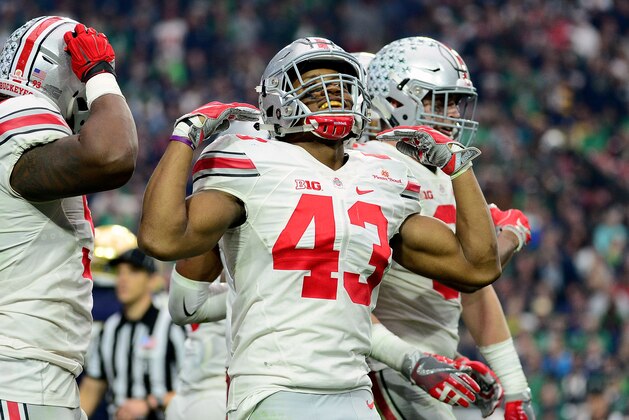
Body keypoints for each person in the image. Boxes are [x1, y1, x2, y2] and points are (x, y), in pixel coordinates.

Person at [138, 37, 502, 420]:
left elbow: (477, 267)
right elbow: (160, 237)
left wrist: (458, 167)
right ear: (279, 99)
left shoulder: (381, 174)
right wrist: (187, 134)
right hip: (274, 386)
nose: (335, 97)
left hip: (354, 387)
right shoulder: (253, 160)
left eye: (344, 87)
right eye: (318, 88)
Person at [355, 37, 535, 419]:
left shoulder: (446, 170)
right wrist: (507, 237)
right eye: (442, 101)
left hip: (427, 361)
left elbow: (473, 290)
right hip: (384, 365)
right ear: (399, 100)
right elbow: (470, 273)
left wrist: (515, 386)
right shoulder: (372, 169)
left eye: (456, 101)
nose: (454, 113)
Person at [0, 16, 137, 420]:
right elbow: (113, 155)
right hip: (20, 369)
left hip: (31, 368)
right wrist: (99, 74)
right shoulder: (21, 115)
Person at [79, 248, 187, 420]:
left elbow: (195, 390)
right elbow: (92, 388)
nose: (123, 279)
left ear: (152, 281)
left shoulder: (172, 327)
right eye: (120, 272)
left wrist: (151, 402)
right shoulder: (109, 330)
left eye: (134, 272)